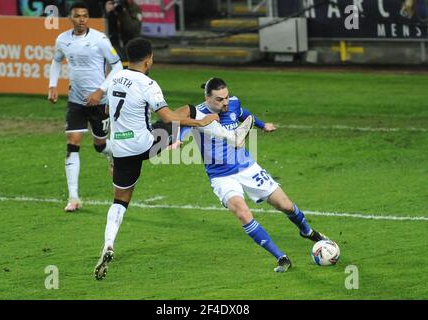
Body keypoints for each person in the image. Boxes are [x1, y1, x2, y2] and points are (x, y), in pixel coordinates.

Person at [93, 38, 254, 280]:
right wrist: (200, 122)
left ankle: (108, 244)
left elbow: (108, 111)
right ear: (149, 60)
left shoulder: (114, 77)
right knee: (188, 110)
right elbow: (168, 118)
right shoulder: (149, 84)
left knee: (120, 201)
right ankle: (233, 138)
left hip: (121, 149)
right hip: (146, 144)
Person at [178, 77, 330, 273]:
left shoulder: (233, 103)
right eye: (219, 99)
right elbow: (182, 126)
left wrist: (262, 124)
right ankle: (281, 258)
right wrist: (178, 140)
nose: (225, 102)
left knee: (286, 205)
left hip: (248, 167)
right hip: (221, 177)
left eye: (226, 97)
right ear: (207, 98)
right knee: (242, 213)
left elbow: (244, 115)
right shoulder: (198, 114)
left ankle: (307, 231)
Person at [48, 1, 124, 212]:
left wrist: (100, 91)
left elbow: (117, 65)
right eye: (77, 16)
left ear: (88, 17)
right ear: (70, 18)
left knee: (100, 144)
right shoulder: (62, 39)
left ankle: (112, 154)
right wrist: (52, 86)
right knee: (73, 143)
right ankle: (73, 197)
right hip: (76, 101)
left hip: (100, 102)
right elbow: (56, 61)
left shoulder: (99, 39)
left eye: (84, 16)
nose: (81, 19)